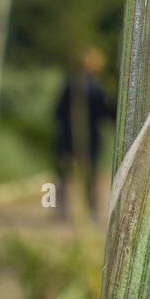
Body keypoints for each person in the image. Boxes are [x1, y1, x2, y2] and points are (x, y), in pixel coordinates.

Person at [52, 47, 115, 223]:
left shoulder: (92, 87)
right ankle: (62, 211)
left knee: (86, 174)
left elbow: (105, 112)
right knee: (66, 173)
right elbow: (59, 111)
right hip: (71, 136)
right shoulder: (77, 86)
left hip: (86, 137)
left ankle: (88, 210)